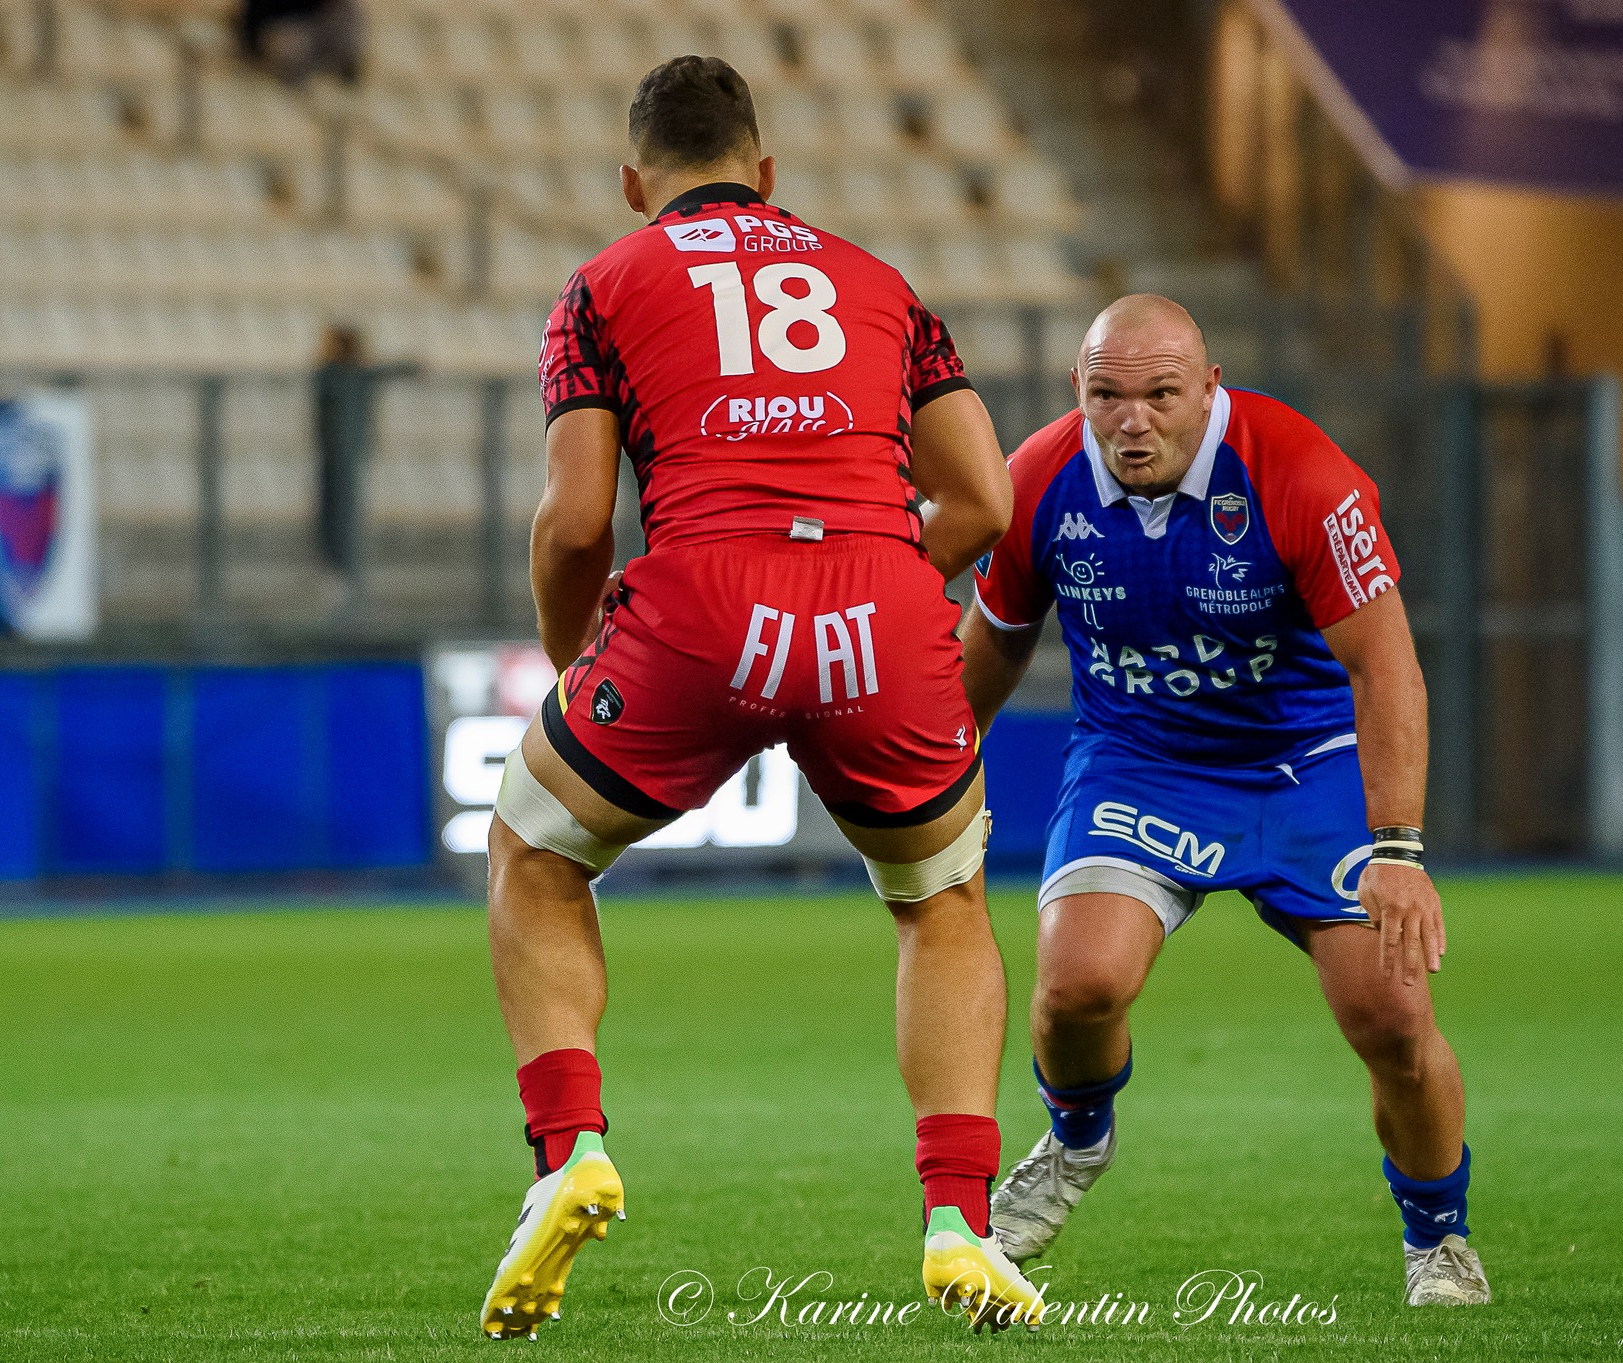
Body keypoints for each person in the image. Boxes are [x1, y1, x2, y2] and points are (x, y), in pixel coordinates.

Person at [479, 56, 1042, 1339]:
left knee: (534, 849)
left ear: (635, 185)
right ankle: (958, 1221)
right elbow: (984, 500)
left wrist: (574, 662)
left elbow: (574, 522)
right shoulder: (881, 283)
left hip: (700, 607)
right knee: (941, 901)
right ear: (767, 172)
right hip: (878, 610)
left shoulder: (603, 286)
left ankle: (568, 1152)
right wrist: (877, 588)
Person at [960, 295, 1491, 1306]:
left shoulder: (1301, 474)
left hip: (1306, 761)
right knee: (1076, 987)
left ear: (1209, 390)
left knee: (1390, 1016)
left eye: (1161, 395)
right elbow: (991, 644)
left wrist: (1398, 848)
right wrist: (928, 784)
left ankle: (1438, 1236)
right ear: (1077, 390)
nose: (1132, 422)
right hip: (1139, 758)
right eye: (1107, 397)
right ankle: (1076, 1143)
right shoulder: (1035, 481)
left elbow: (1385, 668)